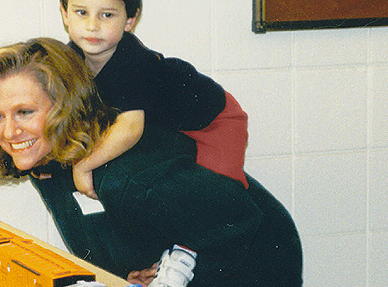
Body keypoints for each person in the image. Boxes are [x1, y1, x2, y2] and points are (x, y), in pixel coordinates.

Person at [0, 38, 302, 287]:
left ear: (64, 108)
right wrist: (129, 275)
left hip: (255, 260)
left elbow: (237, 220)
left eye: (25, 112)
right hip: (206, 239)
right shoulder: (49, 157)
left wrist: (172, 284)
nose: (10, 131)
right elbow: (94, 233)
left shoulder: (129, 176)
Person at [59, 0, 249, 198]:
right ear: (65, 14)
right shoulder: (69, 59)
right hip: (167, 126)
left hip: (215, 122)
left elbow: (130, 129)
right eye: (81, 12)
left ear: (130, 20)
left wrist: (83, 167)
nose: (92, 26)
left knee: (218, 192)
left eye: (107, 15)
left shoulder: (133, 61)